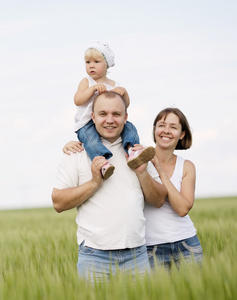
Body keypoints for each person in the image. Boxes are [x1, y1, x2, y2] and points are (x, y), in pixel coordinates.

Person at [52, 91, 167, 283]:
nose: (110, 120)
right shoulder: (76, 153)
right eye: (103, 114)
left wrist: (142, 173)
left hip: (137, 256)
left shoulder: (139, 152)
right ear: (93, 117)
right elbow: (58, 203)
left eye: (116, 114)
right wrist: (95, 183)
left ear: (126, 117)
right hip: (94, 257)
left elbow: (158, 200)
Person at [74, 41, 155, 180]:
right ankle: (102, 162)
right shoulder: (87, 82)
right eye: (87, 62)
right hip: (87, 123)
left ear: (107, 64)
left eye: (96, 62)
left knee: (129, 127)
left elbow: (125, 104)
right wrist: (92, 89)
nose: (91, 65)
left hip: (108, 122)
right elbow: (78, 100)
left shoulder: (114, 85)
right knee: (91, 140)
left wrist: (124, 92)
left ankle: (132, 150)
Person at [143, 107, 203, 269]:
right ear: (155, 130)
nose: (166, 131)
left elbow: (182, 209)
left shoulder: (187, 166)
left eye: (173, 127)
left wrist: (161, 172)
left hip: (187, 246)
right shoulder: (140, 160)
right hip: (150, 248)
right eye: (161, 125)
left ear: (182, 134)